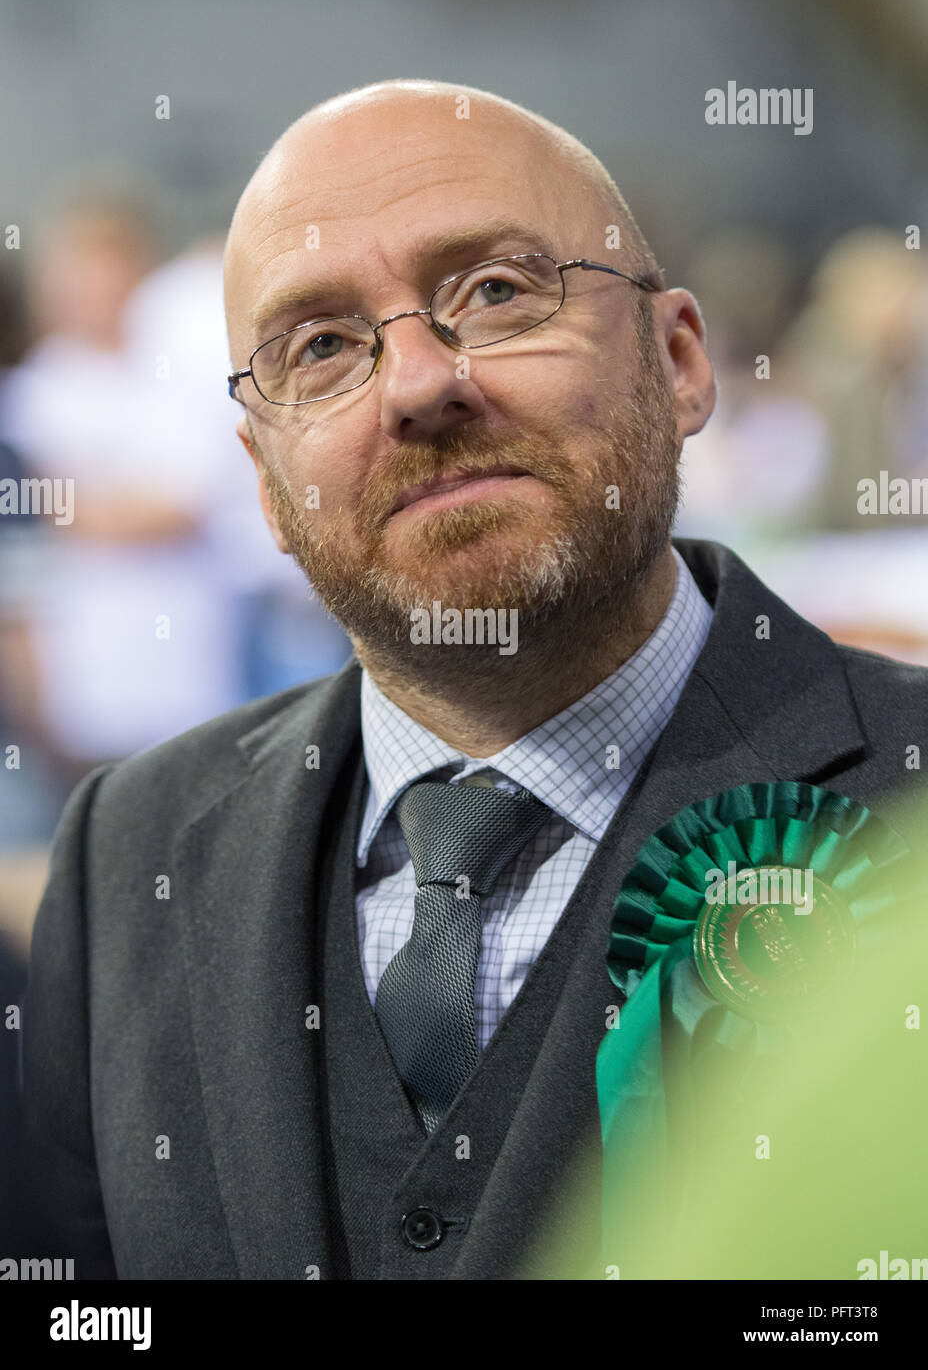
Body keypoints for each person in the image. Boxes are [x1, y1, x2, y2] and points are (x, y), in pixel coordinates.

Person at [19, 79, 928, 1281]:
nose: (415, 385)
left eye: (496, 293)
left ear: (681, 361)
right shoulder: (130, 852)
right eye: (323, 347)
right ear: (264, 486)